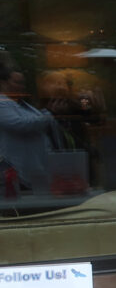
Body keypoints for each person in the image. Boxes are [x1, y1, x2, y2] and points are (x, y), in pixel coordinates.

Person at [0, 65, 57, 194]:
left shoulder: (22, 105)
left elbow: (40, 120)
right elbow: (21, 124)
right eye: (17, 83)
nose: (21, 87)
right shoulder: (1, 103)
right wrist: (49, 114)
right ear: (3, 83)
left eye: (23, 83)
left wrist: (49, 114)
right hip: (14, 170)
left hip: (34, 168)